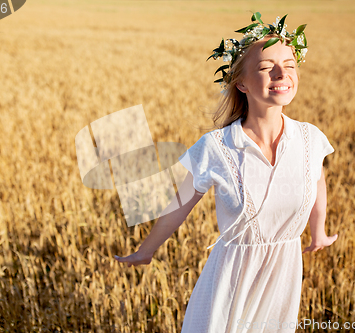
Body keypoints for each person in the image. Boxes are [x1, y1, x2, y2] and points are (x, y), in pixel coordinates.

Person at [114, 12, 338, 333]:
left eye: (289, 64)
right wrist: (145, 251)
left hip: (283, 278)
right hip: (229, 281)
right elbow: (180, 204)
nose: (281, 73)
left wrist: (318, 231)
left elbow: (317, 180)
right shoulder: (216, 147)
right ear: (241, 83)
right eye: (266, 67)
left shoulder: (310, 138)